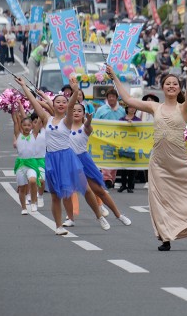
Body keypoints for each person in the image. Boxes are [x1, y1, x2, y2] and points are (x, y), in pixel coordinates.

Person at [105, 56, 187, 251]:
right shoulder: (154, 107)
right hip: (159, 162)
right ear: (162, 87)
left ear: (179, 88)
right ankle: (165, 238)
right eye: (168, 83)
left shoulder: (185, 108)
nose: (171, 86)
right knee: (160, 200)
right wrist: (114, 77)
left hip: (180, 161)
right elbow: (128, 99)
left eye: (175, 84)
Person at [16, 76, 108, 235]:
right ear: (53, 104)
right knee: (55, 195)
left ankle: (99, 216)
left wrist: (75, 90)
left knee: (85, 189)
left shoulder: (68, 120)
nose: (60, 104)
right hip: (51, 159)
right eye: (57, 102)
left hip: (67, 158)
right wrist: (24, 86)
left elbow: (72, 103)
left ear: (66, 106)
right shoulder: (46, 118)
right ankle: (58, 226)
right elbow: (34, 102)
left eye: (63, 102)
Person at [66, 103, 131, 227]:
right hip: (70, 161)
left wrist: (89, 120)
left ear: (83, 113)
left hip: (84, 160)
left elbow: (88, 127)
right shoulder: (65, 126)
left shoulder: (86, 127)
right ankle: (72, 218)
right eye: (73, 110)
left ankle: (119, 215)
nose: (76, 112)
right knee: (73, 191)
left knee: (99, 191)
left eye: (79, 110)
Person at [95, 88, 126, 188]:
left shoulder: (121, 110)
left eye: (113, 97)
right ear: (107, 98)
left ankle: (111, 179)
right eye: (109, 97)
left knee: (114, 160)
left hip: (117, 140)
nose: (111, 99)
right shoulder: (101, 110)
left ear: (117, 98)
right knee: (106, 158)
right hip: (104, 139)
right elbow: (95, 123)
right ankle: (106, 178)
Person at [118, 104, 141, 193]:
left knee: (132, 167)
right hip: (123, 144)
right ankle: (123, 185)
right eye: (130, 107)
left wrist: (133, 126)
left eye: (134, 107)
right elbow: (118, 130)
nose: (132, 109)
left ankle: (130, 185)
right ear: (127, 109)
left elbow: (141, 131)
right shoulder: (122, 119)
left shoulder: (138, 120)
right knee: (123, 166)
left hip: (134, 145)